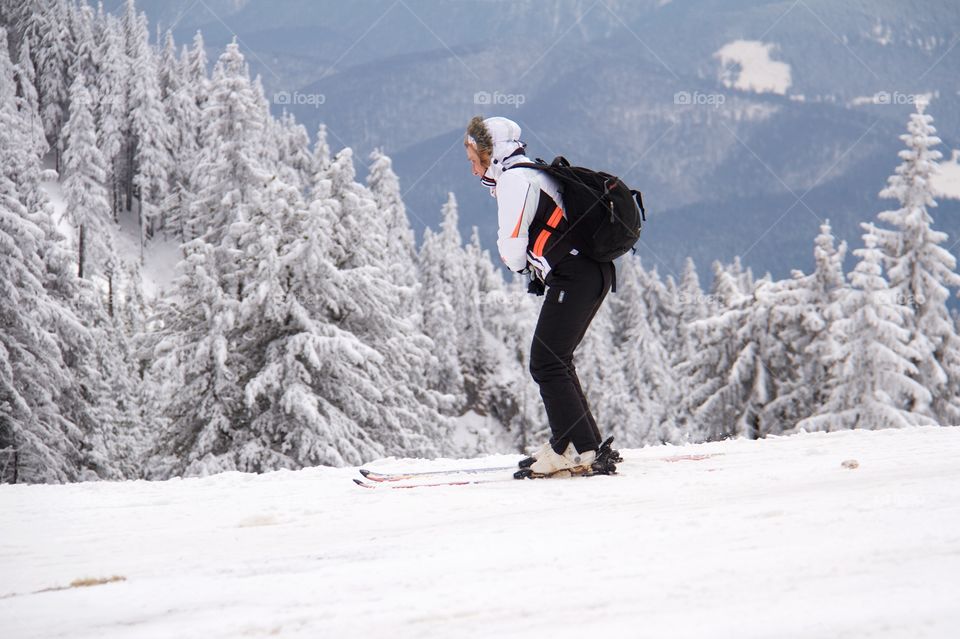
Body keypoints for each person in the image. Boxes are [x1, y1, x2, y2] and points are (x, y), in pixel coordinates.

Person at [464, 115, 615, 475]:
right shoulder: (535, 171)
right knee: (556, 360)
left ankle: (576, 450)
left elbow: (511, 244)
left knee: (546, 362)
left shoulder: (514, 180)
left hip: (575, 276)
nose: (473, 171)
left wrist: (523, 268)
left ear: (490, 153)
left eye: (473, 160)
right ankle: (582, 447)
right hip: (591, 272)